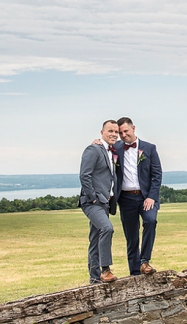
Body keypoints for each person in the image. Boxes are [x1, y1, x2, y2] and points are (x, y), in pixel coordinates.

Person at [114, 117, 162, 276]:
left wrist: (151, 197)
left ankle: (145, 261)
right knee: (131, 236)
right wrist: (97, 142)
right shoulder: (116, 148)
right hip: (126, 199)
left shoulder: (149, 148)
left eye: (125, 131)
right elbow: (104, 148)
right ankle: (135, 273)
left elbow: (157, 174)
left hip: (146, 197)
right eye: (120, 133)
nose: (123, 135)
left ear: (133, 128)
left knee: (150, 220)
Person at [78, 119, 120, 284]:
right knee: (107, 228)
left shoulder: (110, 152)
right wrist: (93, 197)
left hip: (105, 203)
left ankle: (94, 278)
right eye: (110, 131)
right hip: (92, 202)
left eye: (116, 132)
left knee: (95, 239)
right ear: (102, 132)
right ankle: (105, 270)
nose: (114, 134)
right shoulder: (93, 149)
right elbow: (84, 175)